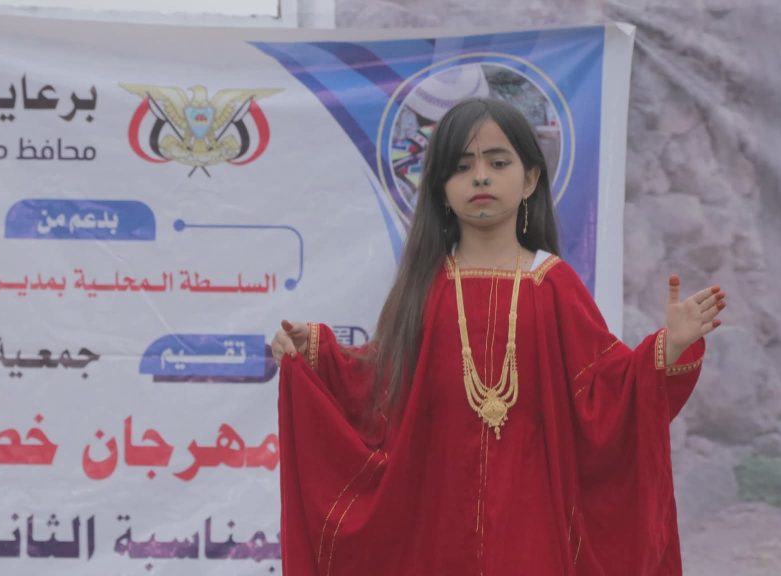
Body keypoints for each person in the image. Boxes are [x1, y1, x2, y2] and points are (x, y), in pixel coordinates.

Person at [271, 97, 726, 575]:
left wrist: (668, 347)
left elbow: (608, 393)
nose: (481, 177)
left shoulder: (554, 284)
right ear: (441, 188)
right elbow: (380, 383)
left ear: (530, 179)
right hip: (435, 519)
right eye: (462, 166)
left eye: (498, 162)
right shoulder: (426, 287)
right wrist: (316, 353)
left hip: (534, 522)